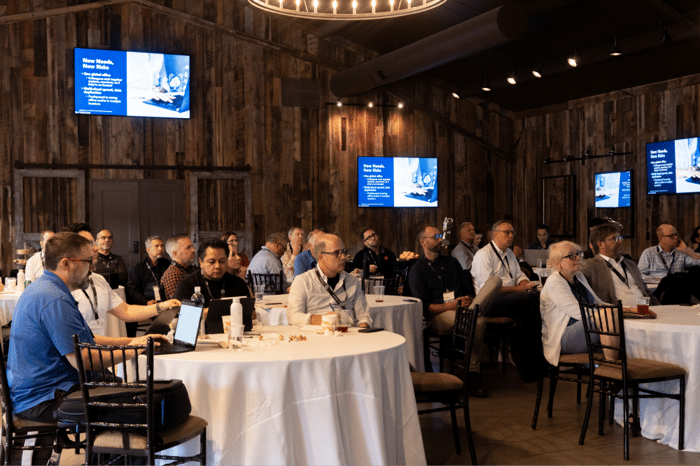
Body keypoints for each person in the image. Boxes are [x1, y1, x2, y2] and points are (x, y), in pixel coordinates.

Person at [7, 232, 165, 423]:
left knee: (136, 392)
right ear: (66, 263)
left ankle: (105, 451)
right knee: (154, 405)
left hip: (44, 390)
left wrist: (133, 341)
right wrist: (134, 350)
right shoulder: (54, 299)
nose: (92, 267)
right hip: (45, 398)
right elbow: (83, 360)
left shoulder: (45, 288)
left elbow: (87, 341)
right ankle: (107, 450)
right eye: (88, 261)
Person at [409, 225, 498, 396]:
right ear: (423, 242)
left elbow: (468, 289)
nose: (440, 239)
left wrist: (468, 299)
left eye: (440, 235)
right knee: (478, 321)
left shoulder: (451, 262)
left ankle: (472, 310)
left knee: (494, 282)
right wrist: (452, 305)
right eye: (435, 236)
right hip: (439, 315)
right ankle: (472, 374)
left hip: (464, 309)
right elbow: (426, 307)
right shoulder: (417, 270)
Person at [72, 229, 181, 336]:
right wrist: (132, 343)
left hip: (96, 349)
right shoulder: (65, 286)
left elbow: (126, 310)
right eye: (90, 244)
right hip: (82, 351)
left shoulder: (99, 280)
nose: (95, 248)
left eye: (94, 243)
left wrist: (161, 306)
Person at [540, 241, 603, 366]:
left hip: (583, 327)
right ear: (557, 264)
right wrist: (609, 314)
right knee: (606, 321)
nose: (578, 258)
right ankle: (612, 375)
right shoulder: (555, 282)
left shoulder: (578, 276)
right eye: (571, 256)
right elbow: (580, 314)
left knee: (616, 324)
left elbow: (598, 302)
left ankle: (612, 373)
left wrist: (626, 310)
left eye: (578, 254)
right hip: (562, 338)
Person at [287, 234, 370, 328]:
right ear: (321, 256)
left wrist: (362, 332)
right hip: (316, 337)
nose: (343, 257)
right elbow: (293, 317)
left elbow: (363, 316)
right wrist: (325, 319)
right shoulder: (303, 281)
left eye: (344, 251)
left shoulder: (352, 281)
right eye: (336, 253)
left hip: (348, 336)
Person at [472, 220, 539, 319]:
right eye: (507, 232)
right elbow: (487, 289)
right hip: (490, 301)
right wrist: (518, 289)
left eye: (512, 233)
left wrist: (525, 284)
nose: (511, 236)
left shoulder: (509, 253)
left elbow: (519, 275)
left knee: (536, 294)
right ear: (496, 234)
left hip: (510, 295)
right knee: (529, 298)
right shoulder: (484, 254)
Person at [580, 223, 659, 307]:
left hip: (644, 311)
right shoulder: (590, 266)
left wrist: (659, 308)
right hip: (619, 315)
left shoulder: (630, 263)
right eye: (614, 239)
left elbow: (646, 291)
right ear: (600, 244)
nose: (620, 241)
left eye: (620, 238)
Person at [174, 239, 250, 307]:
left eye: (222, 261)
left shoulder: (238, 283)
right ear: (201, 262)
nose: (217, 266)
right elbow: (185, 318)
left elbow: (251, 314)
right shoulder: (187, 284)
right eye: (211, 262)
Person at [161, 234, 197, 299]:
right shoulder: (173, 274)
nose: (193, 250)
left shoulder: (189, 269)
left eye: (192, 246)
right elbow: (178, 304)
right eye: (188, 247)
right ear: (175, 253)